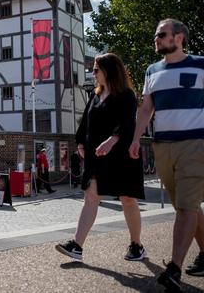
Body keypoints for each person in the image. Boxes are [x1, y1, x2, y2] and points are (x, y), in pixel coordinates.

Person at [129, 18, 204, 291]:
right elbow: (146, 108)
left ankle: (173, 268)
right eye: (156, 36)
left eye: (162, 34)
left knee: (186, 205)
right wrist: (136, 138)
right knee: (185, 205)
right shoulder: (152, 71)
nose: (157, 39)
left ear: (179, 37)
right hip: (163, 146)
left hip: (197, 142)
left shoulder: (202, 64)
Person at [56, 53, 146, 262]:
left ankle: (136, 245)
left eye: (96, 69)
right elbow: (85, 122)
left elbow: (127, 123)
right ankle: (77, 246)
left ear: (109, 71)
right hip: (97, 156)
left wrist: (112, 140)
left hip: (122, 155)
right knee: (91, 197)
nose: (93, 73)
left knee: (127, 199)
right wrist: (80, 143)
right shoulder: (96, 96)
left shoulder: (126, 95)